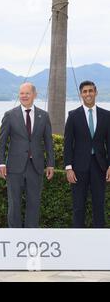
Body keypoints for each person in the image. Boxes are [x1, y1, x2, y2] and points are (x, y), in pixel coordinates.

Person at [0, 83, 55, 228]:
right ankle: (15, 238)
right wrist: (1, 163)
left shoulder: (44, 115)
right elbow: (2, 142)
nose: (24, 96)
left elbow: (48, 142)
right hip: (14, 168)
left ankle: (31, 239)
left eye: (27, 93)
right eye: (21, 93)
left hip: (36, 167)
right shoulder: (10, 115)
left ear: (35, 95)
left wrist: (50, 164)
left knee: (34, 203)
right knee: (14, 204)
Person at [64, 80, 110, 228]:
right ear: (81, 94)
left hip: (100, 166)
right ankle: (77, 240)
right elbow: (68, 144)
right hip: (78, 167)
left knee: (99, 205)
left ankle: (100, 242)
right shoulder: (73, 115)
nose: (88, 94)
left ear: (96, 92)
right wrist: (68, 167)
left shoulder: (106, 115)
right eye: (85, 91)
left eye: (90, 91)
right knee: (78, 206)